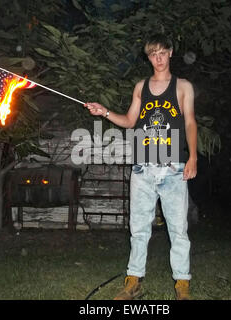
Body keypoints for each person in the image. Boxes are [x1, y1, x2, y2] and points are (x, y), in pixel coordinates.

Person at [84, 33, 197, 300]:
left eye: (161, 52)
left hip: (173, 167)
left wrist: (193, 157)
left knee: (178, 229)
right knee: (138, 228)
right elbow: (129, 120)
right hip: (142, 168)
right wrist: (105, 112)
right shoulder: (140, 87)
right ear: (148, 57)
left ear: (170, 52)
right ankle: (133, 282)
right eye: (152, 54)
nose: (157, 58)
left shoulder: (183, 87)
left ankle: (182, 285)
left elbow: (190, 122)